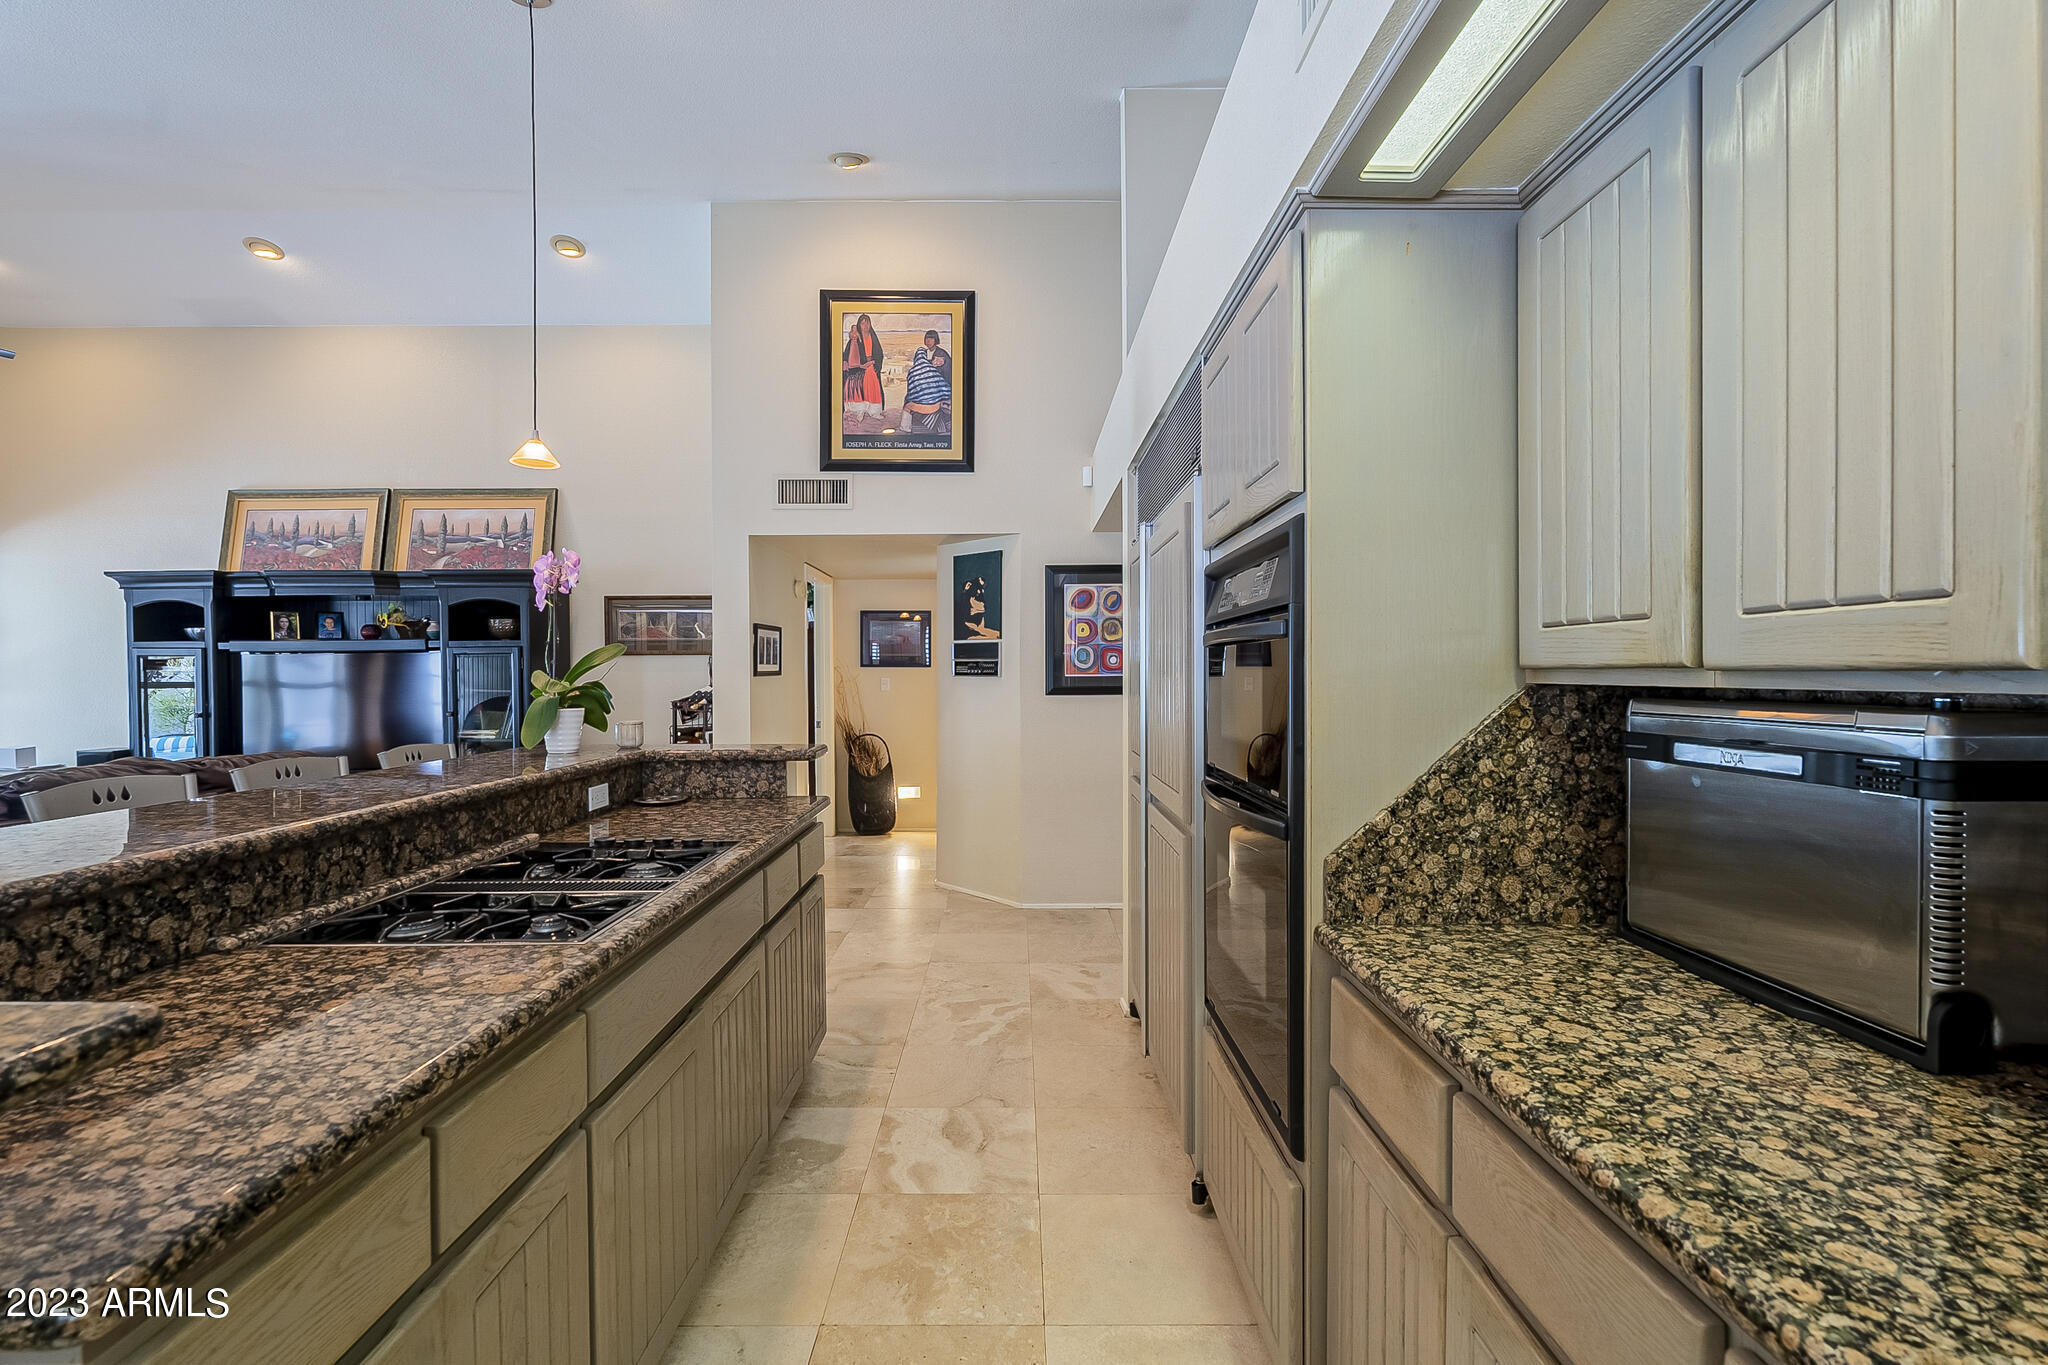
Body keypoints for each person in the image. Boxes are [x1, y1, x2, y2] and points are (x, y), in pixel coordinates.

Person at [902, 328, 952, 432]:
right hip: (934, 390)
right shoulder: (926, 353)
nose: (928, 341)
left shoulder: (941, 354)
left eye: (931, 339)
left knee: (910, 403)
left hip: (939, 389)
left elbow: (948, 373)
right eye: (926, 339)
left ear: (936, 340)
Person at [842, 314, 884, 421]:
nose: (865, 326)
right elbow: (850, 353)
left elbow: (879, 353)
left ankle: (874, 412)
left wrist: (873, 362)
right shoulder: (856, 337)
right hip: (859, 369)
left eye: (867, 323)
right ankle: (859, 412)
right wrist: (859, 365)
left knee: (873, 387)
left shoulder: (873, 336)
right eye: (862, 323)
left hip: (871, 366)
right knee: (859, 389)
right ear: (859, 324)